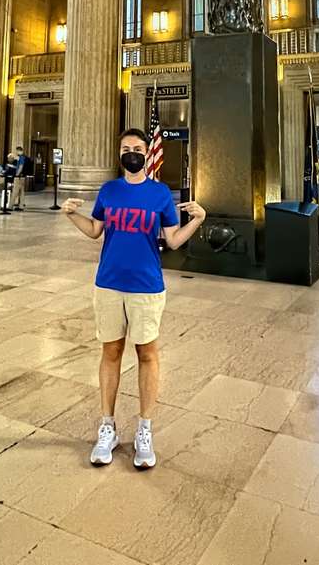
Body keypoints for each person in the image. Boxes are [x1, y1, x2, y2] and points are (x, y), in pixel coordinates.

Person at [63, 128, 206, 470]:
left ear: (147, 153)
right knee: (110, 352)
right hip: (109, 282)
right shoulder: (109, 190)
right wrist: (71, 214)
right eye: (126, 148)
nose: (131, 153)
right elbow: (96, 230)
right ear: (120, 154)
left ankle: (144, 429)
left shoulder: (159, 195)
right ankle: (107, 426)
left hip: (146, 285)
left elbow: (172, 240)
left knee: (147, 354)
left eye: (137, 148)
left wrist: (198, 220)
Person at [12, 145, 29, 211]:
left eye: (16, 151)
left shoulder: (21, 158)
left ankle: (10, 206)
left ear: (18, 151)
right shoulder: (24, 157)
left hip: (19, 176)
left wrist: (16, 174)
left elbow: (21, 167)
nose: (16, 153)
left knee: (15, 192)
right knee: (21, 192)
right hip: (23, 176)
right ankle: (21, 206)